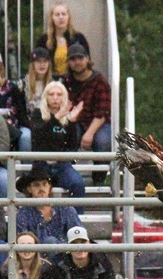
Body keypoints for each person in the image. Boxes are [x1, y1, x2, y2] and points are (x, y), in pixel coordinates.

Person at [30, 80, 85, 209]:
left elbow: (72, 146)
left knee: (77, 183)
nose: (55, 98)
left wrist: (71, 122)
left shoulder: (68, 118)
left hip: (62, 165)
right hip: (42, 164)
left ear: (64, 97)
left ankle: (76, 223)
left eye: (59, 95)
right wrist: (55, 119)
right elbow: (38, 139)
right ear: (46, 97)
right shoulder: (37, 114)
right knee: (38, 188)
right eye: (51, 94)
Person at [62, 44, 111, 184]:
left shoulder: (100, 81)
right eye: (72, 59)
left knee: (103, 141)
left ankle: (99, 179)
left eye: (80, 58)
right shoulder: (65, 82)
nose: (77, 62)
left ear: (88, 59)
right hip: (74, 121)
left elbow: (102, 113)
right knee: (68, 135)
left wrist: (89, 133)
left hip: (97, 122)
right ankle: (67, 175)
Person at [15, 165, 82, 262]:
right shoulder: (23, 213)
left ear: (50, 187)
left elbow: (79, 236)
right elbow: (22, 242)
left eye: (44, 184)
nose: (41, 188)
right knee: (50, 241)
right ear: (29, 189)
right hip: (36, 261)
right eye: (36, 185)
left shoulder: (66, 209)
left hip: (67, 259)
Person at [0, 49, 30, 152]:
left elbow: (21, 112)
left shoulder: (12, 87)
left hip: (12, 124)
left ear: (0, 67)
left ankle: (25, 166)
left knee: (26, 137)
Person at [35, 1, 89, 76]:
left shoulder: (78, 38)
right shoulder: (43, 40)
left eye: (63, 14)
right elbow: (36, 63)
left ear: (68, 17)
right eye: (57, 15)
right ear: (52, 18)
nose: (61, 17)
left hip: (75, 80)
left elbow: (87, 62)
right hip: (51, 81)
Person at [22, 47, 53, 117]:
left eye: (45, 61)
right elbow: (21, 111)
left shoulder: (54, 85)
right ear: (32, 64)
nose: (42, 65)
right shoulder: (23, 84)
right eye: (38, 61)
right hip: (28, 122)